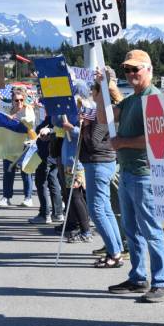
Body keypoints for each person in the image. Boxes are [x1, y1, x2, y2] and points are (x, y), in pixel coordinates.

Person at [107, 50, 164, 303]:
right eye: (127, 70)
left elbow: (154, 141)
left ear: (149, 70)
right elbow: (104, 117)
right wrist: (104, 87)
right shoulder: (131, 100)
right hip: (127, 172)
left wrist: (121, 142)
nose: (132, 74)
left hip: (144, 174)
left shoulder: (153, 98)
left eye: (136, 69)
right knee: (131, 229)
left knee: (151, 230)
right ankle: (137, 277)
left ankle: (161, 281)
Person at [80, 69, 124, 267]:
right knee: (104, 209)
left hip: (99, 162)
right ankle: (115, 249)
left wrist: (81, 127)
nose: (90, 93)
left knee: (97, 210)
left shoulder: (104, 110)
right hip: (101, 162)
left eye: (93, 89)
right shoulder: (105, 109)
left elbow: (95, 141)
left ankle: (114, 253)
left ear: (99, 92)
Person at [59, 99, 94, 244]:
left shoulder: (88, 108)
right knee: (73, 196)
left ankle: (86, 230)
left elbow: (87, 134)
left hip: (77, 162)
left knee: (76, 196)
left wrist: (71, 128)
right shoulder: (72, 111)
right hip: (69, 160)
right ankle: (83, 228)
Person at [0, 89, 34, 207]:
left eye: (21, 100)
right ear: (12, 101)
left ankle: (28, 198)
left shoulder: (28, 109)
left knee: (26, 172)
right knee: (8, 171)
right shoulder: (10, 110)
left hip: (25, 144)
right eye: (16, 100)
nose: (19, 102)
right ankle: (6, 197)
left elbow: (30, 122)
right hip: (10, 144)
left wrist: (16, 119)